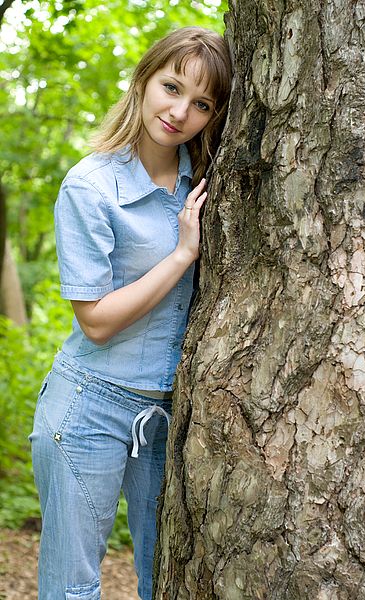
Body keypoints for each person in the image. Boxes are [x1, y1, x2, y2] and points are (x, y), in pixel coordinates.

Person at [29, 26, 232, 600]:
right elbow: (95, 318)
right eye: (171, 87)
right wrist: (182, 254)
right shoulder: (90, 186)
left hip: (169, 417)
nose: (179, 111)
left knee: (166, 583)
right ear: (144, 80)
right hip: (90, 405)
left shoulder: (209, 181)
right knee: (73, 591)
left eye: (202, 103)